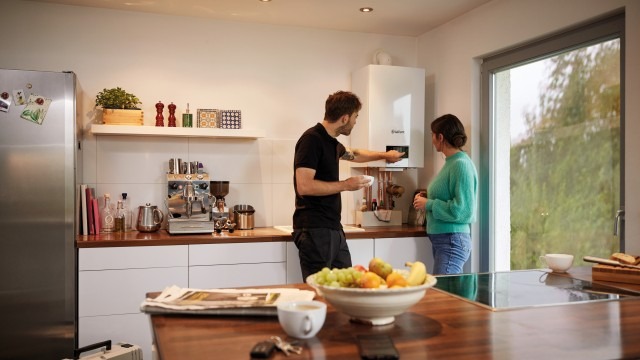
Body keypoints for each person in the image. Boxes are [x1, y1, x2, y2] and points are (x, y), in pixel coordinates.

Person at [293, 90, 405, 279]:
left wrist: (385, 155)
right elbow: (304, 185)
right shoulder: (311, 140)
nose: (355, 121)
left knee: (348, 285)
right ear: (344, 118)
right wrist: (346, 184)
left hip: (332, 228)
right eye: (355, 117)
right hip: (315, 229)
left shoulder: (332, 143)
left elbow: (355, 153)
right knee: (321, 291)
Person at [413, 114, 478, 274]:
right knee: (446, 293)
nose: (432, 139)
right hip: (445, 240)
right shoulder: (451, 163)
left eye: (432, 135)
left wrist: (428, 204)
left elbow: (464, 210)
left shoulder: (460, 164)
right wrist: (426, 198)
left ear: (440, 137)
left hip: (452, 240)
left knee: (444, 294)